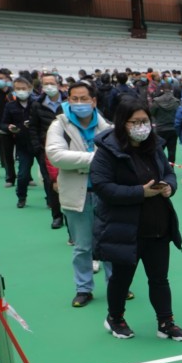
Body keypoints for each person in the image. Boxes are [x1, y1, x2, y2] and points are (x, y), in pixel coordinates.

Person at [90, 97, 182, 341]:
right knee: (121, 279)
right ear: (123, 123)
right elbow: (102, 187)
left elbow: (167, 172)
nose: (142, 126)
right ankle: (115, 318)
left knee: (159, 279)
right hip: (125, 229)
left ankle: (166, 322)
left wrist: (169, 186)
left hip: (158, 226)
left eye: (145, 121)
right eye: (136, 122)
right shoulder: (107, 151)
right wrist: (139, 193)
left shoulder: (154, 145)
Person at [46, 80, 114, 308]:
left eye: (84, 98)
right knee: (82, 245)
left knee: (110, 242)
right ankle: (83, 288)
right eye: (74, 99)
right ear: (68, 100)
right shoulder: (59, 125)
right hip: (77, 195)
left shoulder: (106, 127)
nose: (79, 103)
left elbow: (116, 155)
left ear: (93, 101)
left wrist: (80, 162)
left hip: (106, 193)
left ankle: (117, 285)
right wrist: (94, 160)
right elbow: (56, 155)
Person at [29, 72, 67, 229]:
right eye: (46, 84)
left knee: (69, 180)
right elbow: (33, 127)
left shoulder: (68, 101)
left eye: (52, 83)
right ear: (42, 86)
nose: (49, 86)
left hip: (68, 147)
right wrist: (38, 147)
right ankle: (57, 216)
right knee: (51, 182)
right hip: (47, 150)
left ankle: (71, 215)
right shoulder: (37, 104)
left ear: (58, 84)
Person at [0, 77, 36, 209]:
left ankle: (51, 201)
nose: (21, 91)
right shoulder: (10, 106)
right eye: (18, 89)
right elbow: (3, 123)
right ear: (14, 90)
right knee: (23, 174)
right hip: (23, 144)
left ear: (30, 89)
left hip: (39, 143)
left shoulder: (37, 103)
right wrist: (9, 127)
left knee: (47, 174)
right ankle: (22, 197)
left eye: (23, 88)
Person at [150, 84, 179, 164]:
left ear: (161, 90)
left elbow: (151, 113)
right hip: (173, 129)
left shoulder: (156, 101)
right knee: (172, 151)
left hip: (160, 128)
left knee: (158, 150)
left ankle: (159, 168)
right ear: (171, 90)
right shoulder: (176, 101)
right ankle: (171, 169)